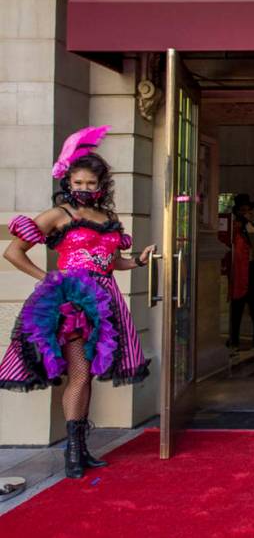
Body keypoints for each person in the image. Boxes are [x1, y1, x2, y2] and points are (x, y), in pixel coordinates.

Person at [0, 126, 154, 478]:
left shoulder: (109, 219)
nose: (84, 188)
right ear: (68, 181)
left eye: (90, 183)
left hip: (105, 301)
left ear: (102, 186)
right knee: (80, 374)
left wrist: (139, 262)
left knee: (87, 375)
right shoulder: (59, 215)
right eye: (78, 182)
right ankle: (73, 453)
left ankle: (81, 448)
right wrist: (48, 279)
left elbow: (111, 263)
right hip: (71, 303)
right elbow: (13, 251)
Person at [222, 193, 254, 350]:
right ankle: (234, 338)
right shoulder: (234, 229)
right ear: (237, 211)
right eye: (244, 210)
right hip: (240, 271)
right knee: (237, 305)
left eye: (249, 210)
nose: (247, 212)